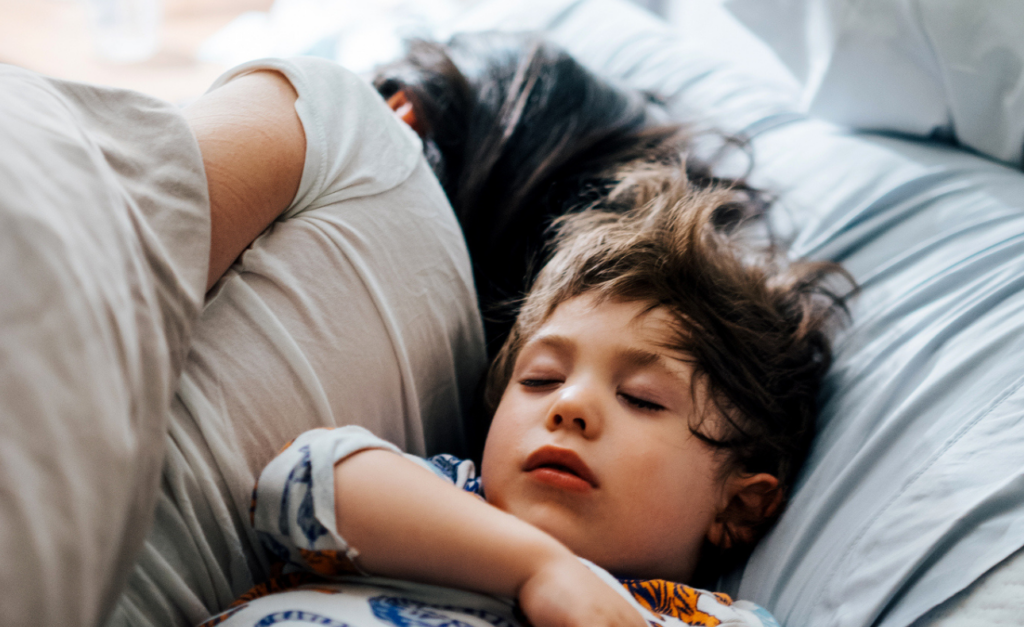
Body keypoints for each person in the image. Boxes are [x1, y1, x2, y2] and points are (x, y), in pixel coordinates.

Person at [198, 161, 848, 627]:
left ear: (739, 506)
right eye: (540, 379)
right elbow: (300, 483)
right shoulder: (445, 500)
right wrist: (541, 568)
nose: (568, 406)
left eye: (642, 398)